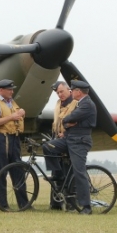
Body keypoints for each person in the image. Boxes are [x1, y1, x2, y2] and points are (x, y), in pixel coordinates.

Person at [43, 80, 97, 215]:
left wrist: (67, 122)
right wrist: (67, 124)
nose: (72, 92)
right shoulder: (80, 104)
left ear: (78, 91)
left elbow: (69, 118)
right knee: (48, 146)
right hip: (68, 139)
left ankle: (86, 207)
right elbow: (67, 120)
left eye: (73, 90)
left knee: (79, 172)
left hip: (79, 141)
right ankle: (58, 175)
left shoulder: (86, 104)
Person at [0, 79, 30, 210]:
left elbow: (17, 115)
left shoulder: (11, 102)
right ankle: (3, 204)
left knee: (18, 171)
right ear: (1, 90)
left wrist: (22, 112)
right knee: (1, 171)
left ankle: (24, 204)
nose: (12, 91)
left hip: (14, 138)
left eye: (12, 89)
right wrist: (12, 117)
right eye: (9, 89)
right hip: (1, 138)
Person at [42, 81, 78, 210]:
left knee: (69, 173)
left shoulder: (76, 103)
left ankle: (71, 205)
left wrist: (67, 133)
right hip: (57, 140)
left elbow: (79, 122)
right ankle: (56, 204)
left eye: (61, 91)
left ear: (69, 90)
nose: (59, 95)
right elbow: (56, 122)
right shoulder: (58, 104)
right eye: (57, 93)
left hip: (69, 141)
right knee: (57, 170)